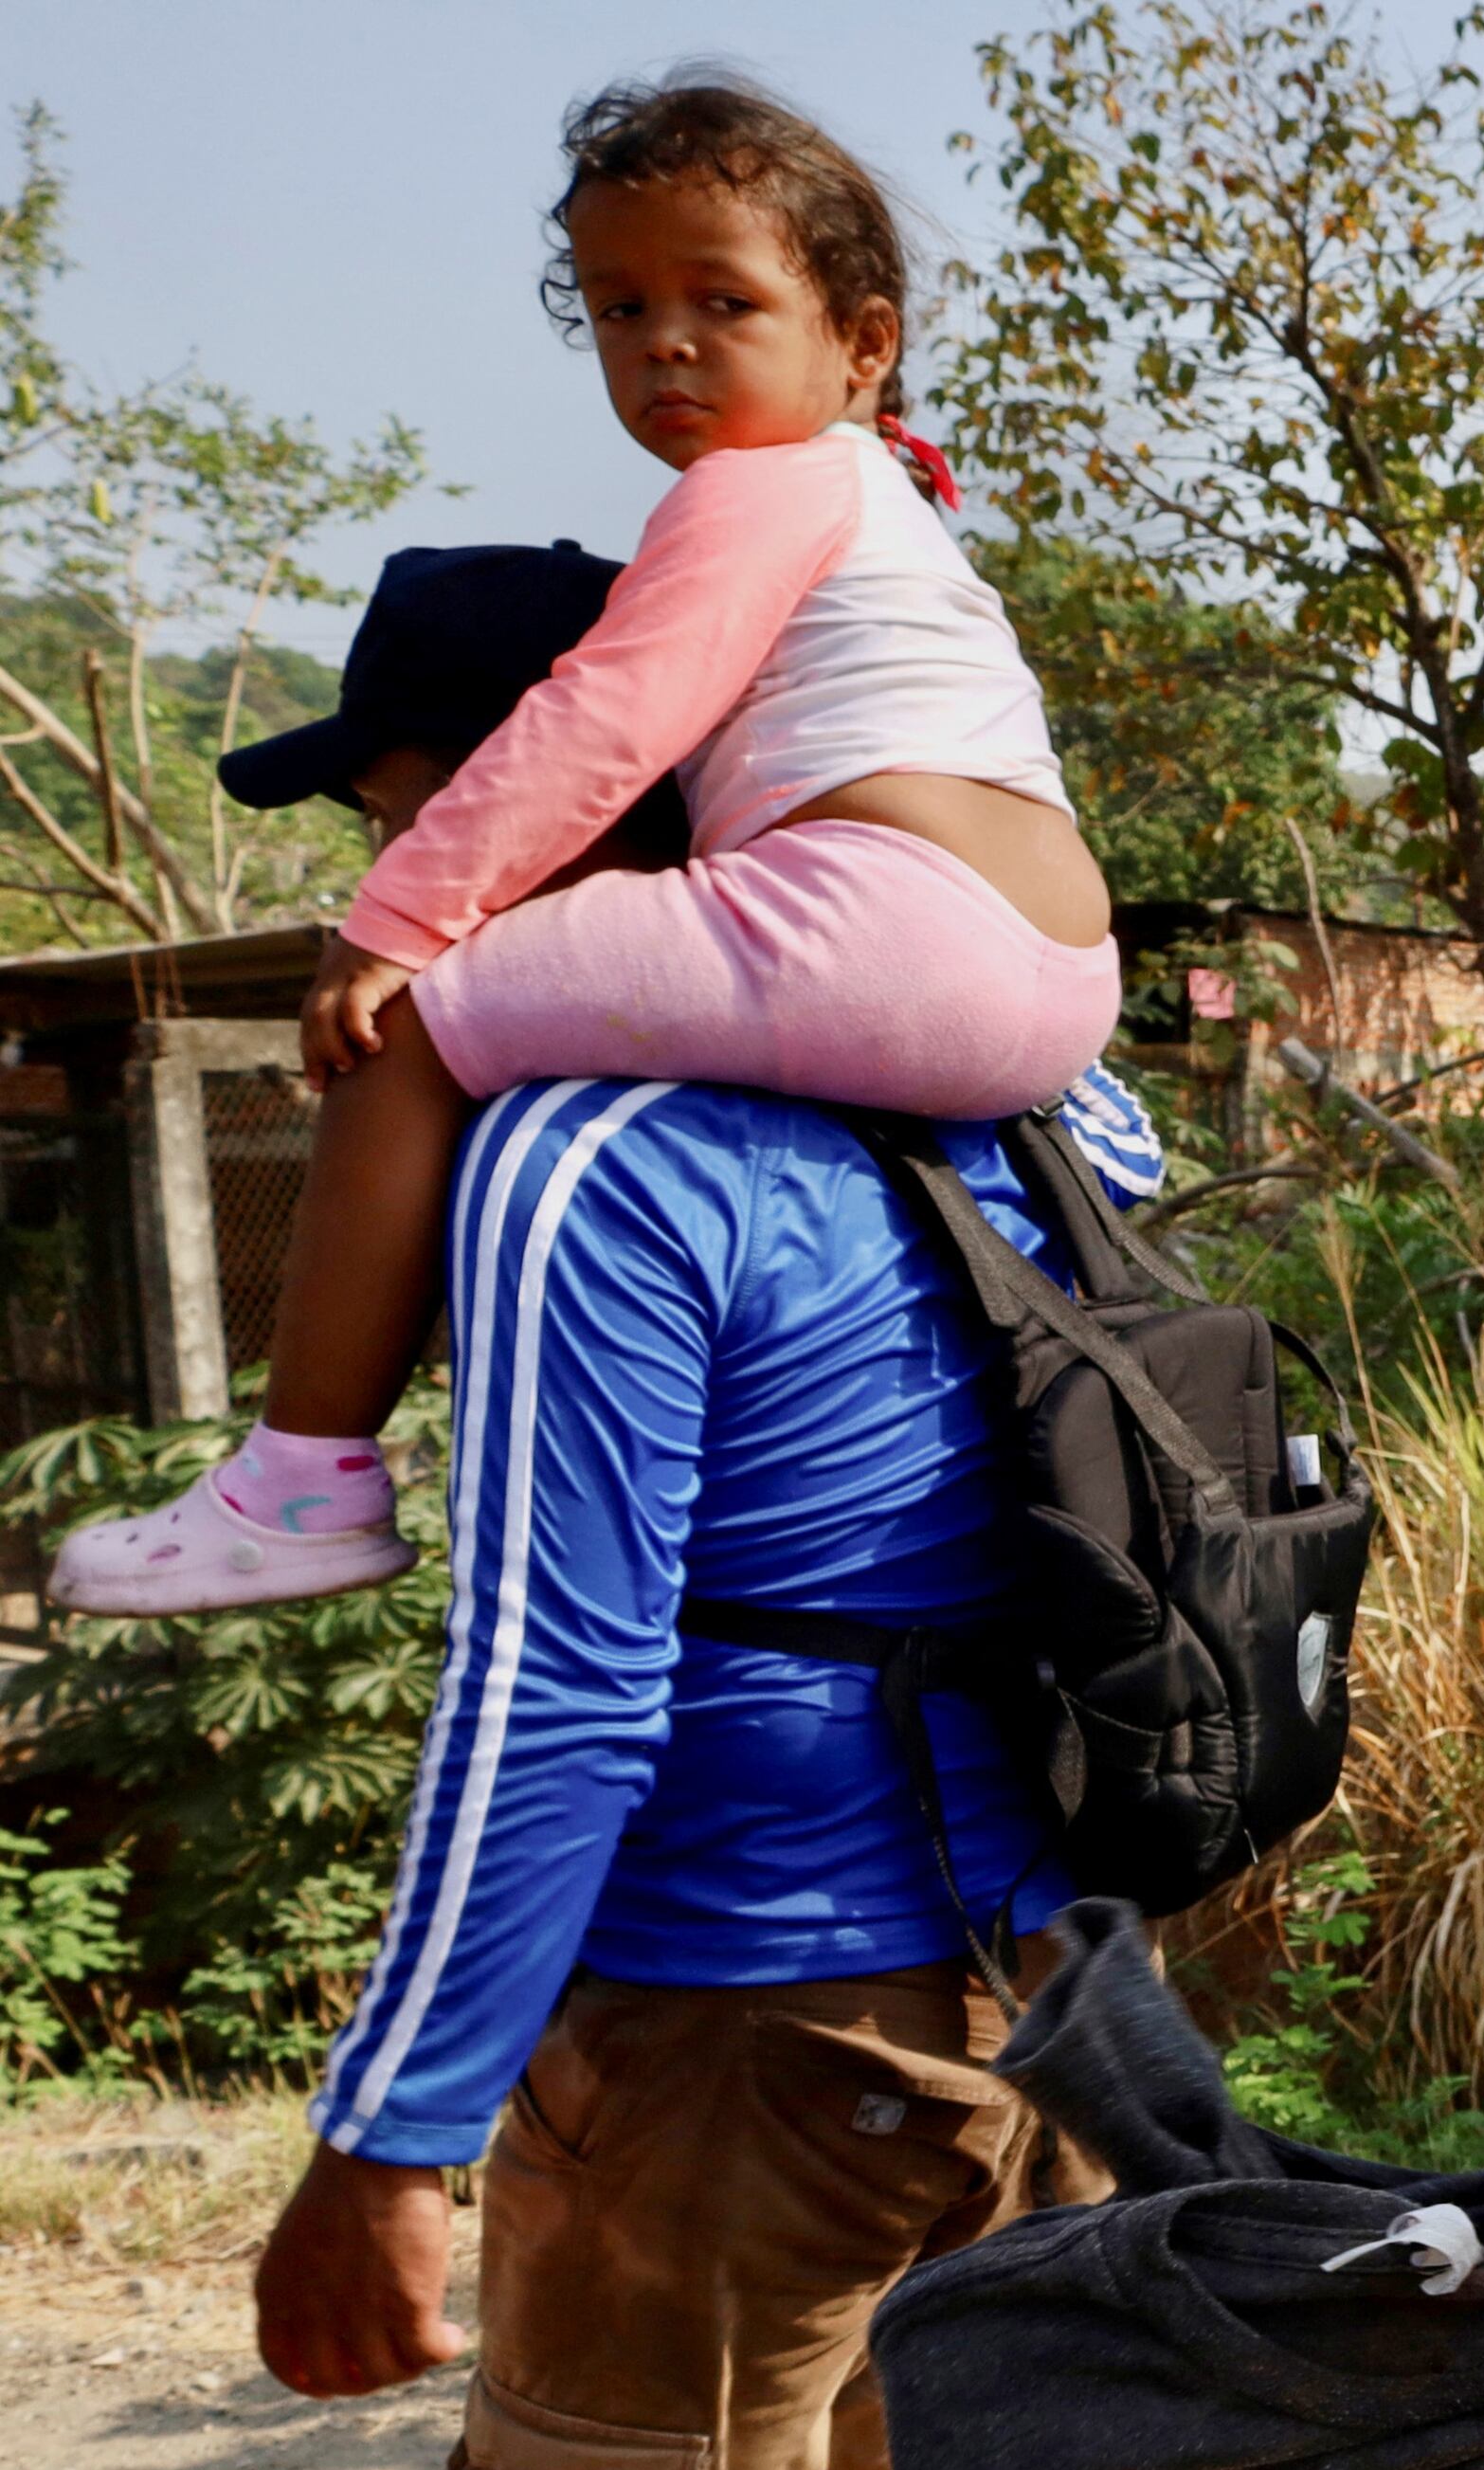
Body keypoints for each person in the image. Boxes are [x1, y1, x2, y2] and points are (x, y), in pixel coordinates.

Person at [239, 557, 1484, 2470]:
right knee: (884, 2447)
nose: (383, 886)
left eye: (402, 805)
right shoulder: (1030, 1103)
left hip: (733, 1996)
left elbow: (555, 1681)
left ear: (539, 804)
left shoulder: (593, 1155)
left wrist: (391, 2123)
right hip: (1001, 1946)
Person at [53, 71, 1116, 1619]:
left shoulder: (761, 488)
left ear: (863, 342)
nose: (665, 342)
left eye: (722, 301)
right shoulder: (900, 516)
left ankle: (299, 1482)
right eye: (619, 308)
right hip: (1059, 979)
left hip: (889, 925)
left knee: (408, 1028)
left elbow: (605, 719)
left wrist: (398, 920)